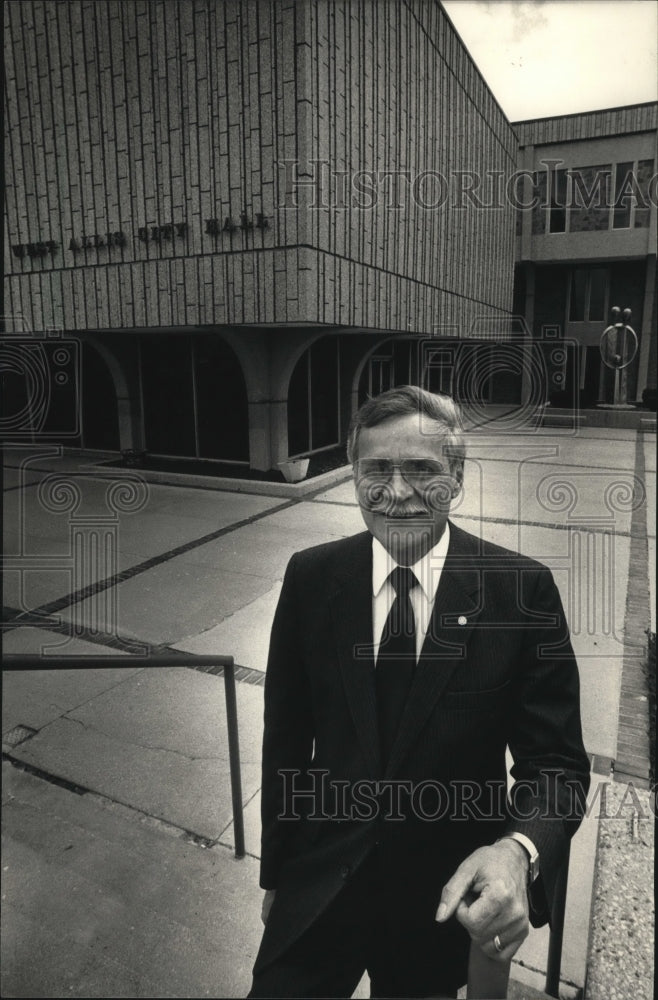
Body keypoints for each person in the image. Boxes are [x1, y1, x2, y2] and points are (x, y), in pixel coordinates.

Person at [248, 386, 590, 999]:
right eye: (377, 469)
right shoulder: (311, 576)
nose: (398, 492)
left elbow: (557, 766)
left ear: (455, 478)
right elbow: (286, 742)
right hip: (321, 886)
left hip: (440, 904)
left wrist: (517, 850)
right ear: (353, 477)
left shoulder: (522, 592)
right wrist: (278, 873)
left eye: (424, 470)